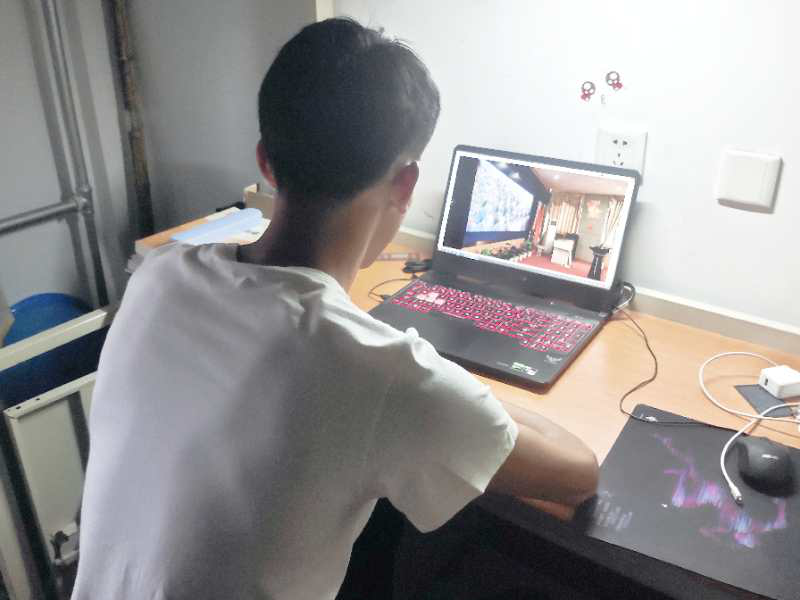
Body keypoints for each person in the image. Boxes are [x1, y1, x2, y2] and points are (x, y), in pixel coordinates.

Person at [71, 17, 598, 600]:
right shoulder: (377, 372)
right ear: (405, 185)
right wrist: (440, 378)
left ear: (266, 162)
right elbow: (577, 474)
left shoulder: (157, 274)